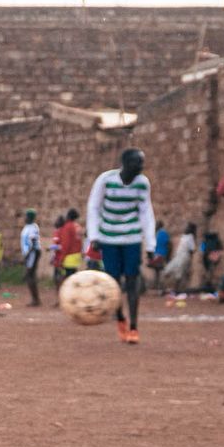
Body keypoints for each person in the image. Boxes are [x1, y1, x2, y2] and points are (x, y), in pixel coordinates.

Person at [86, 147, 155, 345]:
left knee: (132, 282)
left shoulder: (142, 184)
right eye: (137, 162)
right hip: (108, 238)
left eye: (142, 162)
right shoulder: (106, 180)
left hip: (132, 238)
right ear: (124, 164)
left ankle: (134, 327)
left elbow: (146, 213)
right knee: (113, 284)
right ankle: (120, 319)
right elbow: (94, 207)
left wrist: (150, 244)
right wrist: (94, 236)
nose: (141, 166)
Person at [52, 208, 85, 287]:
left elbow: (66, 245)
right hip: (77, 256)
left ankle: (68, 297)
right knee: (73, 278)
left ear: (68, 216)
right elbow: (80, 242)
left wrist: (61, 259)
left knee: (68, 280)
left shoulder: (67, 227)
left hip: (69, 257)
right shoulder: (77, 226)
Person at [161, 223, 198, 292]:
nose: (187, 228)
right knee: (167, 270)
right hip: (178, 256)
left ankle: (176, 290)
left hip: (184, 256)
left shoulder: (190, 237)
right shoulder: (184, 236)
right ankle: (168, 288)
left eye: (189, 227)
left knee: (179, 273)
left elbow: (192, 249)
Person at [19, 209, 42, 307]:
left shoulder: (33, 227)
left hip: (33, 253)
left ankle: (35, 299)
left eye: (26, 216)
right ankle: (35, 299)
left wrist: (27, 255)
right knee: (30, 276)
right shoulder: (27, 227)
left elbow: (33, 244)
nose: (24, 218)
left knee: (29, 275)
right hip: (29, 254)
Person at [149, 221, 172, 291]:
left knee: (160, 270)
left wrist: (168, 256)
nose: (155, 226)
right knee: (157, 270)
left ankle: (160, 287)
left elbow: (168, 244)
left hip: (161, 255)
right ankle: (157, 286)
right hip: (158, 255)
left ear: (159, 225)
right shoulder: (158, 233)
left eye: (156, 225)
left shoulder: (163, 233)